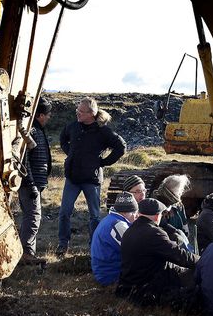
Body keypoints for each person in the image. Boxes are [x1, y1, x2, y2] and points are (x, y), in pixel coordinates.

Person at [58, 97, 126, 257]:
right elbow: (63, 138)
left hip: (92, 180)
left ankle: (94, 246)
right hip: (72, 178)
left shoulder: (103, 131)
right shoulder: (73, 126)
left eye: (81, 112)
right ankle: (62, 244)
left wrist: (103, 162)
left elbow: (121, 147)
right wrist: (71, 154)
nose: (78, 114)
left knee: (94, 216)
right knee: (64, 212)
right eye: (77, 110)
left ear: (92, 114)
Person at [117, 198, 199, 307]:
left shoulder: (130, 230)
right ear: (157, 216)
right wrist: (203, 261)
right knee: (196, 277)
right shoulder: (154, 233)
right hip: (146, 290)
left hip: (128, 286)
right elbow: (181, 256)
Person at [18, 98, 52, 265]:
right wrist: (30, 183)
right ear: (40, 115)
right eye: (47, 114)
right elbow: (24, 160)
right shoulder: (32, 130)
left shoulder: (36, 130)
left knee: (30, 217)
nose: (49, 118)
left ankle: (28, 253)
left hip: (34, 184)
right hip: (30, 184)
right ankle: (26, 254)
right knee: (33, 218)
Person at [90, 192, 138, 286]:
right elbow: (136, 250)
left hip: (104, 271)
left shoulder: (110, 219)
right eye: (135, 212)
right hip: (111, 275)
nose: (136, 216)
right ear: (126, 212)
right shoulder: (118, 225)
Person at [152, 174, 193, 251]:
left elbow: (185, 229)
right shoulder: (155, 205)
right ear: (172, 192)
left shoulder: (179, 206)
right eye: (180, 190)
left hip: (179, 245)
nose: (181, 193)